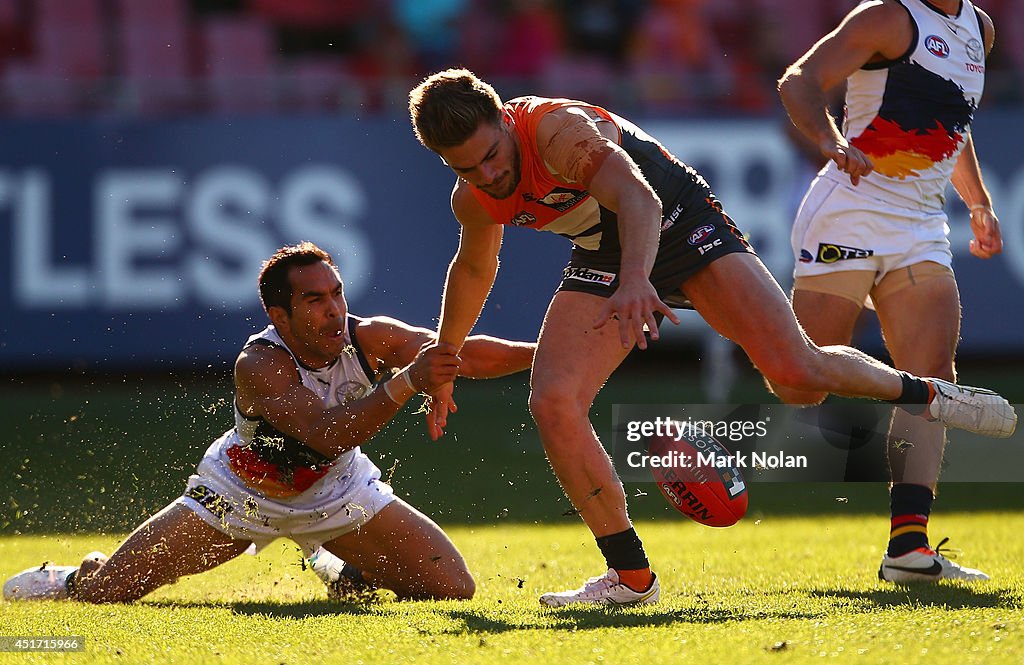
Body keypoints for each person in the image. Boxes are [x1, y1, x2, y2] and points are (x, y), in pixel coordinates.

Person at [406, 68, 1015, 606]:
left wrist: (638, 281)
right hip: (606, 250)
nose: (489, 172)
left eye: (492, 154)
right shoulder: (475, 197)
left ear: (502, 118)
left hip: (677, 219)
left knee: (797, 372)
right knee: (552, 400)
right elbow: (475, 268)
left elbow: (639, 199)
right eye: (469, 167)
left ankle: (931, 396)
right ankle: (629, 575)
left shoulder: (556, 133)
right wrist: (447, 356)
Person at [3, 242, 535, 603]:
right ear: (279, 316)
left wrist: (548, 353)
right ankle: (71, 577)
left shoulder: (368, 336)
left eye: (336, 294)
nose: (334, 310)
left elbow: (458, 353)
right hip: (238, 497)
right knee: (107, 594)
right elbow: (329, 432)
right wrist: (408, 382)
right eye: (314, 300)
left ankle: (342, 571)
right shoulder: (259, 364)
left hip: (339, 492)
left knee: (451, 588)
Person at [777, 0, 1003, 582]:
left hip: (922, 224)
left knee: (933, 380)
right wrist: (829, 141)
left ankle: (909, 546)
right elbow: (799, 79)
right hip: (850, 207)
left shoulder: (980, 28)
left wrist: (977, 201)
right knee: (801, 381)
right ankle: (714, 453)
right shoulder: (886, 17)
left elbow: (952, 120)